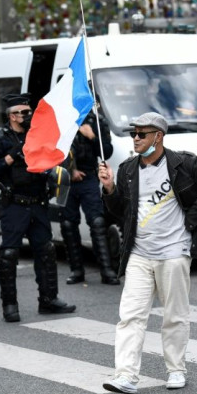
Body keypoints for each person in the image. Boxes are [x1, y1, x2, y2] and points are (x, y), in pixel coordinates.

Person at [98, 112, 197, 394]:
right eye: (134, 134)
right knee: (130, 316)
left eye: (142, 134)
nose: (135, 139)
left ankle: (176, 369)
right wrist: (109, 189)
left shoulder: (183, 163)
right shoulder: (128, 169)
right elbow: (120, 210)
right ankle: (126, 376)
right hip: (139, 254)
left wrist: (190, 219)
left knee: (174, 315)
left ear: (158, 136)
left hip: (173, 252)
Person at [0, 93, 75, 322]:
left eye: (28, 111)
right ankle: (10, 305)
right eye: (22, 112)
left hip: (39, 202)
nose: (27, 115)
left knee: (46, 252)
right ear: (12, 116)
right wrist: (12, 156)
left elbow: (54, 160)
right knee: (9, 255)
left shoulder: (38, 135)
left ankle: (49, 300)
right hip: (15, 204)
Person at [60, 108, 119, 286]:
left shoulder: (97, 120)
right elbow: (53, 148)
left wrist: (92, 136)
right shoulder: (62, 116)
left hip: (89, 176)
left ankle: (106, 270)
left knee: (97, 222)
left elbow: (107, 151)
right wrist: (70, 170)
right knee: (68, 224)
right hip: (65, 177)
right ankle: (76, 270)